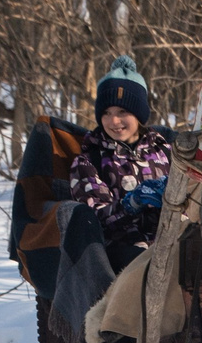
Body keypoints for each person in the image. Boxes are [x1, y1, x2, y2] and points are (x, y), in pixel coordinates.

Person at [68, 55, 173, 271]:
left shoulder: (166, 151)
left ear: (139, 114)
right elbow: (95, 217)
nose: (114, 121)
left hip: (172, 243)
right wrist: (131, 203)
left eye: (122, 112)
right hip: (121, 254)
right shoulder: (89, 160)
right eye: (106, 113)